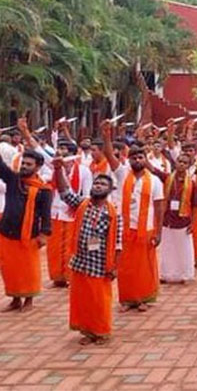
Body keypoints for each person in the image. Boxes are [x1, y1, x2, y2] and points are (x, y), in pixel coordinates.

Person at [51, 159, 121, 345]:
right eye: (97, 183)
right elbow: (65, 192)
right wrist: (58, 169)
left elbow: (118, 244)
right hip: (81, 261)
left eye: (103, 184)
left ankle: (101, 331)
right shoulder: (83, 204)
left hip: (100, 264)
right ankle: (88, 331)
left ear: (110, 190)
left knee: (99, 300)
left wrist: (114, 267)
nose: (98, 185)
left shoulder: (113, 213)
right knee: (83, 300)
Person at [103, 121, 164, 312]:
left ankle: (143, 298)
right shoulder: (122, 174)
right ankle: (127, 299)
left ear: (145, 159)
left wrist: (159, 232)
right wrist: (106, 136)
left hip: (146, 229)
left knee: (144, 266)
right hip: (125, 228)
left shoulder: (154, 180)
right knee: (126, 266)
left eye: (140, 157)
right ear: (128, 160)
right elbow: (109, 155)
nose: (137, 160)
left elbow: (159, 206)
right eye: (134, 157)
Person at [0, 137, 53, 312]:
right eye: (23, 163)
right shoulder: (14, 180)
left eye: (29, 164)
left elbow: (46, 215)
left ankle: (28, 300)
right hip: (7, 232)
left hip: (29, 235)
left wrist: (44, 234)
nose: (24, 166)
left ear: (37, 167)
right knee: (10, 269)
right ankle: (15, 299)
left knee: (29, 270)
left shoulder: (43, 190)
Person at [46, 140, 92, 288]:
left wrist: (80, 210)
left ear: (71, 155)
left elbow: (87, 194)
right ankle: (57, 277)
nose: (60, 151)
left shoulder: (84, 171)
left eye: (63, 148)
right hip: (55, 213)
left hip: (73, 213)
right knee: (54, 247)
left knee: (70, 247)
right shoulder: (55, 169)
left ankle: (69, 275)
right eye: (59, 148)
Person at [159, 153, 197, 284]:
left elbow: (195, 205)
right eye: (179, 161)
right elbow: (154, 171)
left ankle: (186, 275)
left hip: (183, 220)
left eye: (185, 162)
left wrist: (193, 223)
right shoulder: (167, 178)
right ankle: (167, 275)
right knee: (167, 248)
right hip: (167, 219)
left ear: (188, 166)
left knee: (184, 249)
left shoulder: (192, 184)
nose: (181, 164)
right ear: (175, 163)